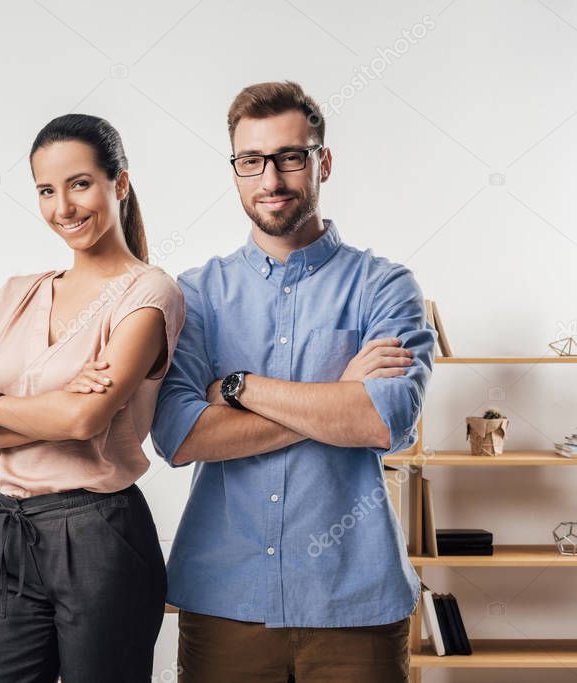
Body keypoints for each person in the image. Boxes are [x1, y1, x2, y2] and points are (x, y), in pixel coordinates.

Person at [151, 81, 434, 682]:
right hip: (225, 601)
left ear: (322, 161)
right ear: (235, 171)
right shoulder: (195, 295)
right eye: (251, 161)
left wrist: (237, 388)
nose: (270, 180)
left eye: (290, 157)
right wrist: (334, 402)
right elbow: (178, 435)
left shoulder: (385, 287)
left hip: (354, 602)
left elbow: (381, 420)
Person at [0, 113, 184, 682]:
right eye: (46, 191)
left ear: (119, 183)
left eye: (80, 184)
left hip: (100, 534)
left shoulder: (150, 292)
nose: (64, 208)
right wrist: (51, 410)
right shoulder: (15, 294)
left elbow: (82, 419)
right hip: (10, 532)